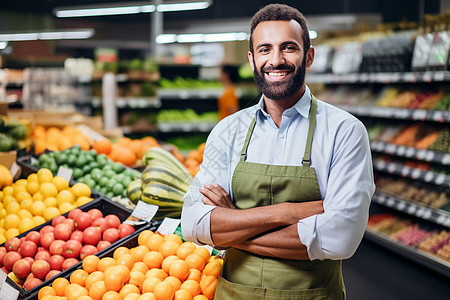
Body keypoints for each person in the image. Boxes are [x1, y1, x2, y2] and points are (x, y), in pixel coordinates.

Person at [181, 3, 375, 299]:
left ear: (308, 56)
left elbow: (340, 239)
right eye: (265, 49)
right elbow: (194, 224)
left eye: (288, 48)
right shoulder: (228, 130)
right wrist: (288, 213)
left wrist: (232, 224)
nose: (276, 60)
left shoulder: (344, 131)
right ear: (251, 59)